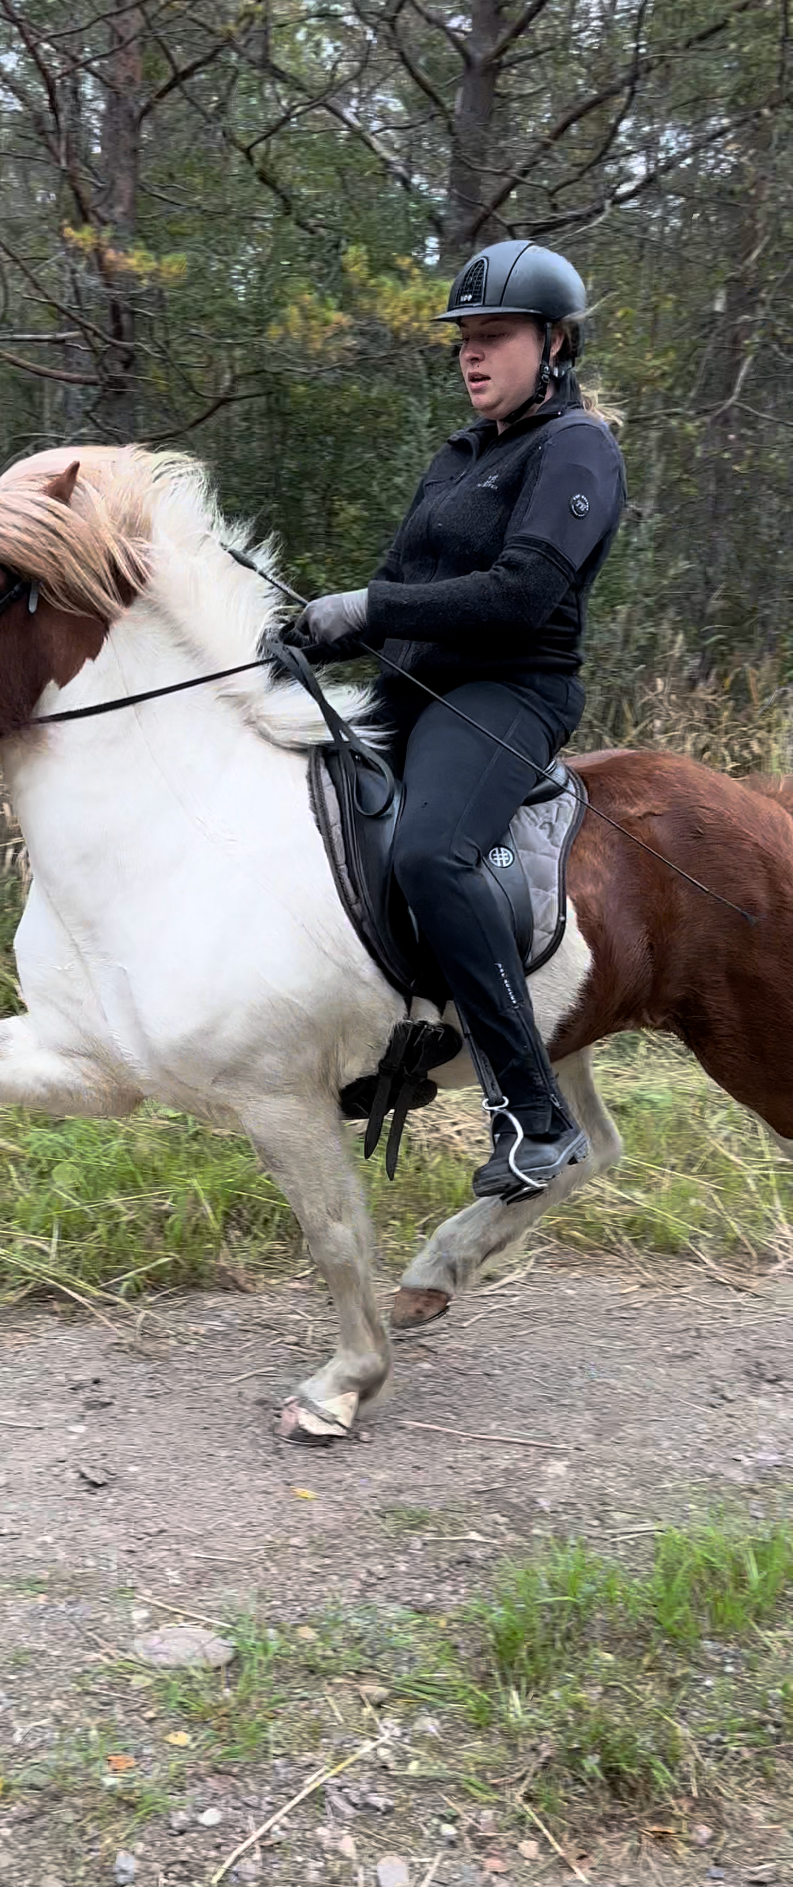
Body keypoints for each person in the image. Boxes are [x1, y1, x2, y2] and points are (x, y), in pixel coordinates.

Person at [292, 238, 626, 1202]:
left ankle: (534, 1113)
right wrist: (310, 638)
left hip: (504, 692)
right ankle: (371, 1041)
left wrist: (371, 610)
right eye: (464, 342)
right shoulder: (459, 456)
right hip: (408, 685)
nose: (473, 355)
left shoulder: (576, 448)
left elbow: (522, 592)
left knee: (433, 851)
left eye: (495, 337)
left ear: (553, 343)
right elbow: (404, 589)